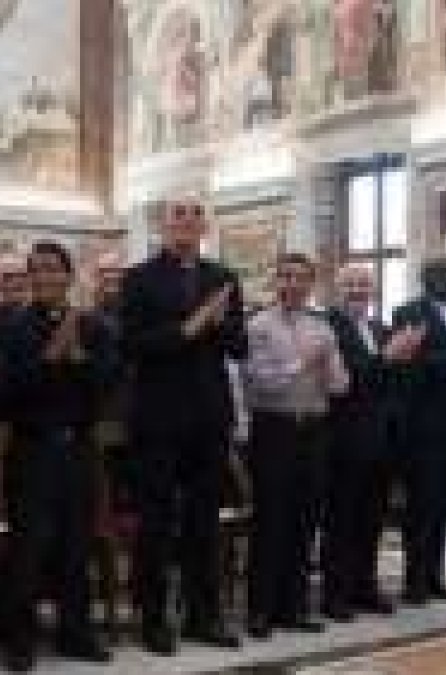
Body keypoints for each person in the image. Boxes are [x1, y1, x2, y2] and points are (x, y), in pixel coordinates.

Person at [120, 197, 247, 654]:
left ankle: (202, 616)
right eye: (179, 214)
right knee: (156, 523)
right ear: (164, 224)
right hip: (158, 417)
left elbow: (239, 346)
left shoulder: (222, 279)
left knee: (203, 523)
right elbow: (130, 345)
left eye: (196, 214)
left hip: (210, 416)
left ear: (205, 225)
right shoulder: (138, 278)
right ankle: (153, 619)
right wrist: (187, 329)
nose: (188, 221)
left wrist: (218, 325)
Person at [0, 241, 115, 671]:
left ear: (68, 276)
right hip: (32, 448)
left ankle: (76, 633)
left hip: (79, 448)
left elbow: (106, 389)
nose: (44, 276)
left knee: (76, 543)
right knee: (29, 547)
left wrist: (79, 358)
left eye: (52, 269)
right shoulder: (14, 327)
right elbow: (2, 395)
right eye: (37, 270)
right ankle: (20, 639)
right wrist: (49, 357)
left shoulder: (94, 326)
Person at [241, 253, 349, 640]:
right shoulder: (258, 326)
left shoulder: (321, 326)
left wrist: (329, 365)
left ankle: (295, 607)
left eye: (301, 279)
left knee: (305, 522)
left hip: (314, 430)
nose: (292, 285)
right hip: (274, 430)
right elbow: (258, 384)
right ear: (276, 281)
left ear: (311, 284)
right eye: (285, 277)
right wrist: (303, 363)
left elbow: (339, 387)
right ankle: (260, 611)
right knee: (271, 522)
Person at [318, 263, 411, 620]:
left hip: (382, 436)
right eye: (350, 285)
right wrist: (387, 357)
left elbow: (391, 380)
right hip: (343, 435)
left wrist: (403, 359)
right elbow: (346, 380)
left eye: (364, 284)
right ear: (337, 289)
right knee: (341, 520)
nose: (358, 291)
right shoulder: (328, 326)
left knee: (372, 519)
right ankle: (335, 595)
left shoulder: (379, 327)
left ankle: (364, 587)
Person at [390, 258, 446, 605]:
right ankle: (414, 583)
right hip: (423, 426)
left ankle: (435, 576)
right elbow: (415, 366)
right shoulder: (408, 313)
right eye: (438, 276)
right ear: (426, 280)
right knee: (421, 506)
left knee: (443, 506)